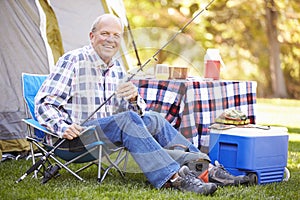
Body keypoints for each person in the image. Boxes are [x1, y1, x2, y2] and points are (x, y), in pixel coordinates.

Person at [35, 14, 248, 195]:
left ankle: (206, 169)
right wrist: (63, 127)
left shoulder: (117, 68)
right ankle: (175, 178)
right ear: (92, 37)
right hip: (75, 140)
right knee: (127, 121)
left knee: (153, 117)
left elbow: (130, 117)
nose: (110, 40)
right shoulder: (73, 60)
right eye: (105, 34)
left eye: (116, 35)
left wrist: (134, 100)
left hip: (108, 136)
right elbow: (44, 102)